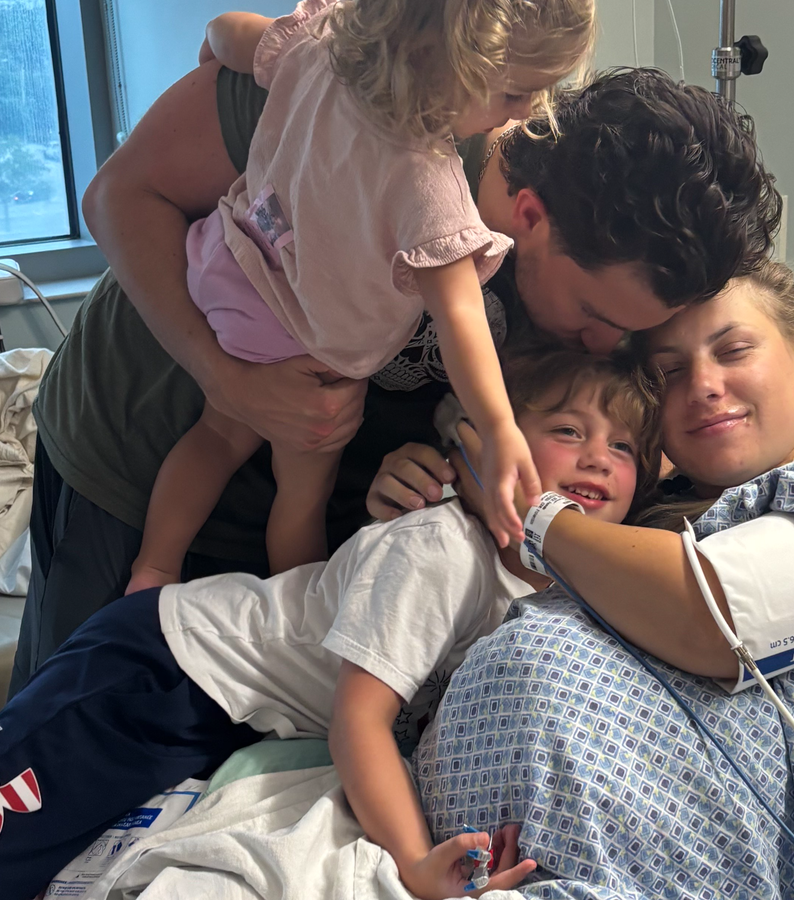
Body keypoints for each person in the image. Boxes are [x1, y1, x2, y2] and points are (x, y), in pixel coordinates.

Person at [13, 62, 780, 691]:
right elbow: (117, 195)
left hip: (300, 517)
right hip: (142, 452)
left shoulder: (612, 272)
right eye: (591, 314)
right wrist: (226, 380)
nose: (606, 345)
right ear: (530, 215)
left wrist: (417, 476)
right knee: (52, 747)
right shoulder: (359, 104)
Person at [0, 346, 663, 900]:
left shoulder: (549, 592)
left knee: (44, 866)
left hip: (236, 720)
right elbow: (361, 721)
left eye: (624, 446)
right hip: (159, 673)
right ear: (480, 442)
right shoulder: (439, 550)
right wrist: (413, 863)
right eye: (569, 431)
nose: (599, 457)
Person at [367, 260, 794, 898]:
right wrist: (432, 488)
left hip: (782, 858)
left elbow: (718, 624)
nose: (705, 386)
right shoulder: (635, 515)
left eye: (733, 350)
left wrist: (527, 506)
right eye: (669, 372)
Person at [128, 0, 603, 594]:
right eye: (515, 93)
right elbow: (461, 316)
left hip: (227, 263)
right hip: (295, 333)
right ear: (445, 61)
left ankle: (154, 565)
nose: (528, 111)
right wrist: (500, 426)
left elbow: (228, 31)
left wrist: (210, 51)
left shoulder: (321, 49)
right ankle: (298, 611)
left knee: (216, 437)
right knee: (302, 494)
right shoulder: (428, 184)